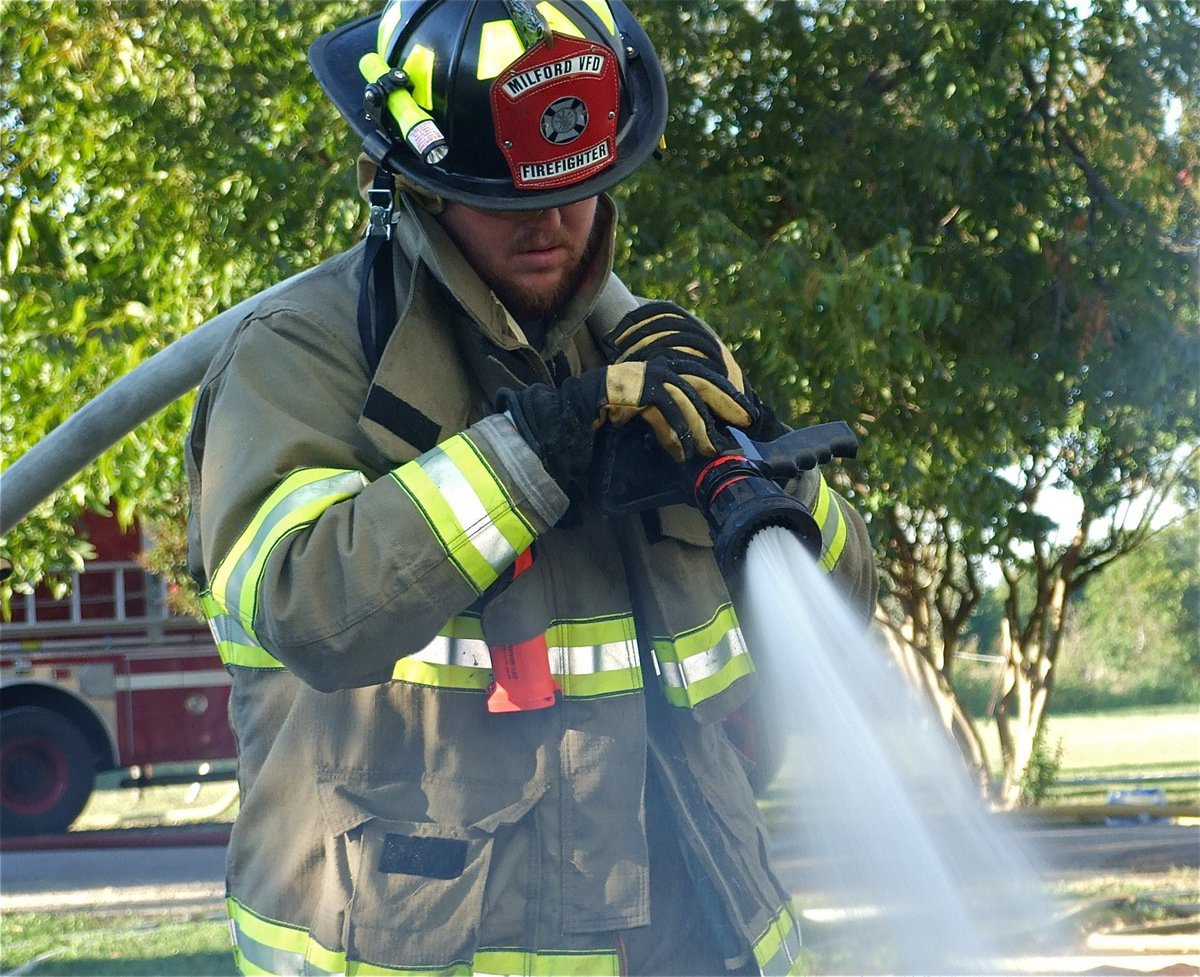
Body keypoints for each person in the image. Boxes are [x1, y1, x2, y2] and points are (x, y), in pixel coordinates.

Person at [185, 1, 878, 974]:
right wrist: (530, 455)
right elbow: (308, 603)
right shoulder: (301, 356)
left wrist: (761, 466)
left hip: (702, 940)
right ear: (414, 184)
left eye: (579, 186)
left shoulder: (657, 364)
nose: (550, 220)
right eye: (504, 195)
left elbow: (841, 620)